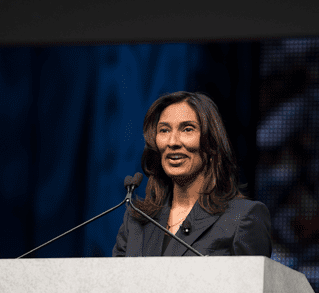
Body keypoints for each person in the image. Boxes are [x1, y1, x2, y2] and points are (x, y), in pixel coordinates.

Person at [113, 91, 272, 257]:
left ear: (211, 141)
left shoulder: (244, 217)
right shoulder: (136, 221)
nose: (172, 142)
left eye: (187, 129)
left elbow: (254, 282)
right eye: (164, 130)